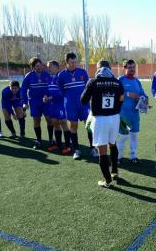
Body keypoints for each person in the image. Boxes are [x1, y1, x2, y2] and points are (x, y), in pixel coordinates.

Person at [80, 60, 124, 188]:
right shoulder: (117, 82)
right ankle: (115, 172)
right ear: (110, 68)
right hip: (115, 118)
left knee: (102, 150)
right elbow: (121, 100)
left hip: (100, 119)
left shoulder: (93, 82)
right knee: (112, 144)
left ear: (98, 68)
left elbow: (83, 100)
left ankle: (107, 181)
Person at [58, 52, 95, 159]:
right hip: (70, 106)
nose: (74, 64)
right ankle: (77, 150)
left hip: (84, 105)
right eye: (72, 62)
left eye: (75, 62)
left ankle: (93, 148)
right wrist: (69, 99)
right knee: (73, 127)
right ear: (66, 62)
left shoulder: (83, 72)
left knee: (89, 126)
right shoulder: (61, 75)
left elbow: (88, 88)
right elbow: (61, 90)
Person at [117, 59, 148, 164]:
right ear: (125, 68)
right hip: (123, 114)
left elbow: (143, 94)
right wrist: (128, 94)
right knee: (123, 136)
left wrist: (145, 99)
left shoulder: (137, 81)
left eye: (133, 67)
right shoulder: (120, 80)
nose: (132, 69)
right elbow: (115, 94)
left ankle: (133, 156)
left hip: (135, 114)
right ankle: (118, 157)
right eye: (130, 67)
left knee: (134, 135)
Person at [21, 57, 53, 149]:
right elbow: (23, 90)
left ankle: (51, 139)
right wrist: (25, 102)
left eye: (41, 65)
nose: (40, 67)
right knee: (37, 121)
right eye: (37, 66)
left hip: (46, 101)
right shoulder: (28, 76)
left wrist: (49, 96)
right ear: (33, 67)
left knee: (49, 120)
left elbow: (51, 87)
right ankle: (39, 140)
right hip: (34, 102)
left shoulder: (46, 74)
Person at [44, 60, 71, 155]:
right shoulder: (49, 78)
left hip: (60, 104)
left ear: (56, 67)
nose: (48, 68)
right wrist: (45, 97)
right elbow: (47, 90)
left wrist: (52, 97)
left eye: (50, 66)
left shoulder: (61, 77)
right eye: (48, 67)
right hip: (52, 105)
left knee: (63, 122)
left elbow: (62, 92)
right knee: (55, 122)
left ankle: (68, 145)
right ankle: (58, 144)